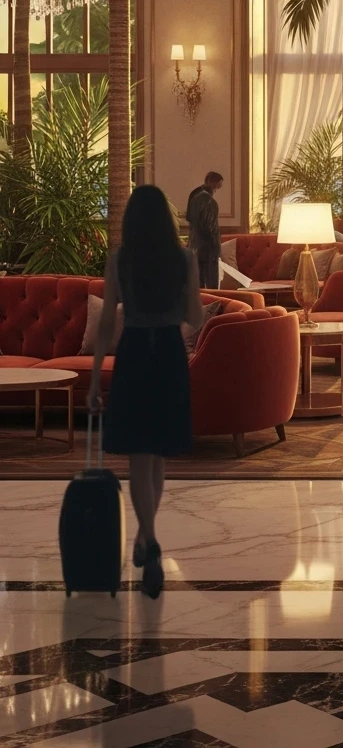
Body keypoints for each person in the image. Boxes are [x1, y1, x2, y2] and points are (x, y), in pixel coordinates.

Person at [87, 185, 201, 598]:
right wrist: (177, 324)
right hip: (168, 352)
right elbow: (197, 316)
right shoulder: (184, 260)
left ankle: (148, 540)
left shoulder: (120, 261)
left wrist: (99, 372)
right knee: (158, 452)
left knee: (139, 453)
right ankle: (146, 538)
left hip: (134, 352)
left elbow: (105, 325)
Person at [185, 171, 223, 289]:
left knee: (198, 284)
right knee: (211, 283)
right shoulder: (210, 203)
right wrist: (217, 249)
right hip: (208, 249)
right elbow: (212, 229)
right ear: (215, 184)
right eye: (219, 186)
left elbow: (189, 218)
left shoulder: (194, 196)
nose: (218, 189)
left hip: (194, 246)